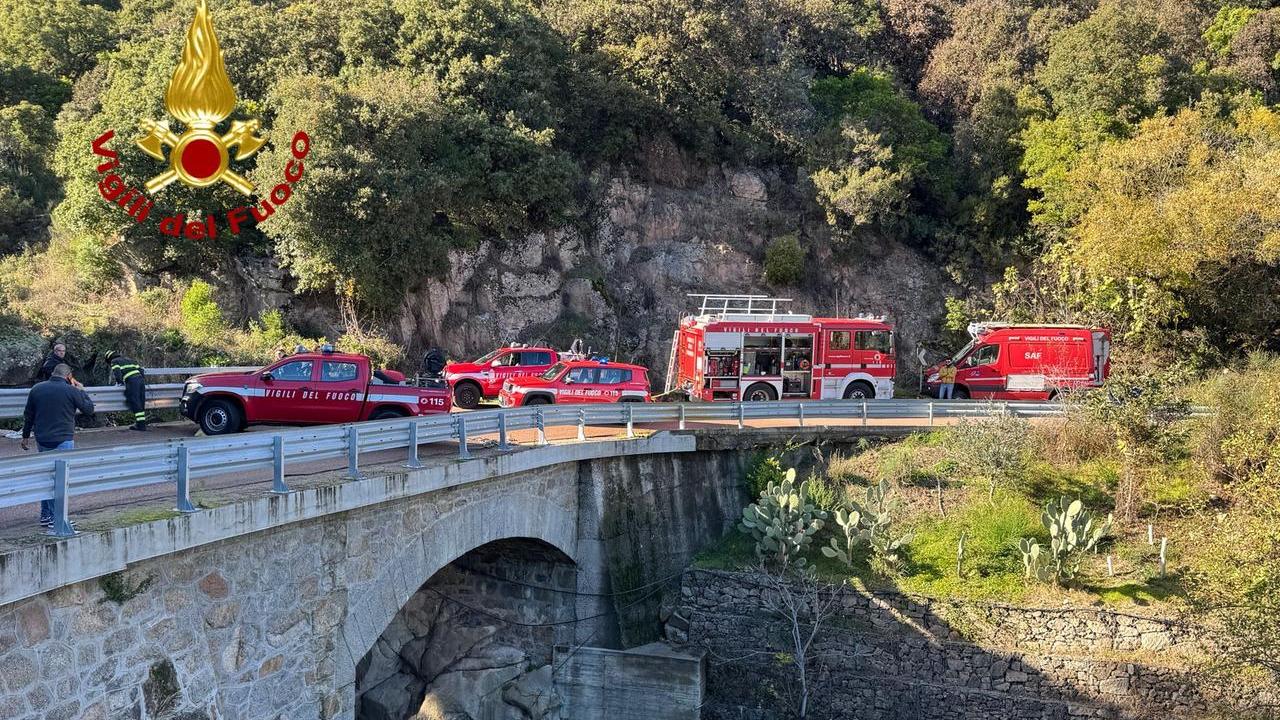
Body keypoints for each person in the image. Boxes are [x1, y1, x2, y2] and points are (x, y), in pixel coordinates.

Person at [21, 364, 94, 528]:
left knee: (47, 477)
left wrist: (25, 436)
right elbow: (89, 409)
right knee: (61, 479)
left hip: (42, 439)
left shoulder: (37, 389)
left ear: (53, 374)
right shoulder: (72, 391)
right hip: (63, 439)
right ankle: (57, 518)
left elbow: (29, 415)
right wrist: (82, 390)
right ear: (69, 376)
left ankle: (46, 515)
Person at [106, 351, 148, 430]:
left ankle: (141, 426)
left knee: (135, 401)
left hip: (132, 381)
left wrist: (120, 382)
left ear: (109, 358)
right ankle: (141, 424)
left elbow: (117, 372)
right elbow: (141, 370)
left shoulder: (114, 361)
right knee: (141, 401)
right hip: (140, 380)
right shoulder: (129, 359)